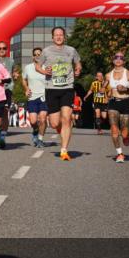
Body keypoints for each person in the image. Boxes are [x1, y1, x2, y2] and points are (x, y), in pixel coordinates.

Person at [37, 26, 82, 161]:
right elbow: (37, 66)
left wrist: (78, 69)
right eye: (56, 35)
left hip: (67, 88)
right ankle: (61, 129)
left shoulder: (71, 50)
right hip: (51, 88)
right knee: (55, 123)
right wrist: (44, 72)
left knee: (67, 118)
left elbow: (78, 63)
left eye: (61, 35)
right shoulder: (46, 51)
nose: (58, 37)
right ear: (52, 37)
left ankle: (64, 150)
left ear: (64, 36)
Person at [106, 52, 129, 163]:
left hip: (126, 103)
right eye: (116, 57)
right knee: (114, 129)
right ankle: (119, 154)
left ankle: (126, 135)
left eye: (121, 58)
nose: (118, 59)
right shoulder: (108, 75)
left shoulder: (128, 74)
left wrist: (126, 89)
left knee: (124, 133)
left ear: (124, 61)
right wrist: (107, 92)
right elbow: (105, 88)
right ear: (113, 60)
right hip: (113, 103)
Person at [21, 47, 48, 147]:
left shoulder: (46, 67)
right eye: (35, 54)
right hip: (32, 97)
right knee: (33, 121)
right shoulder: (28, 67)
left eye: (39, 54)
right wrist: (26, 88)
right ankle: (35, 130)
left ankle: (40, 139)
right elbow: (24, 79)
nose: (37, 56)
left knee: (43, 119)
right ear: (33, 57)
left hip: (44, 97)